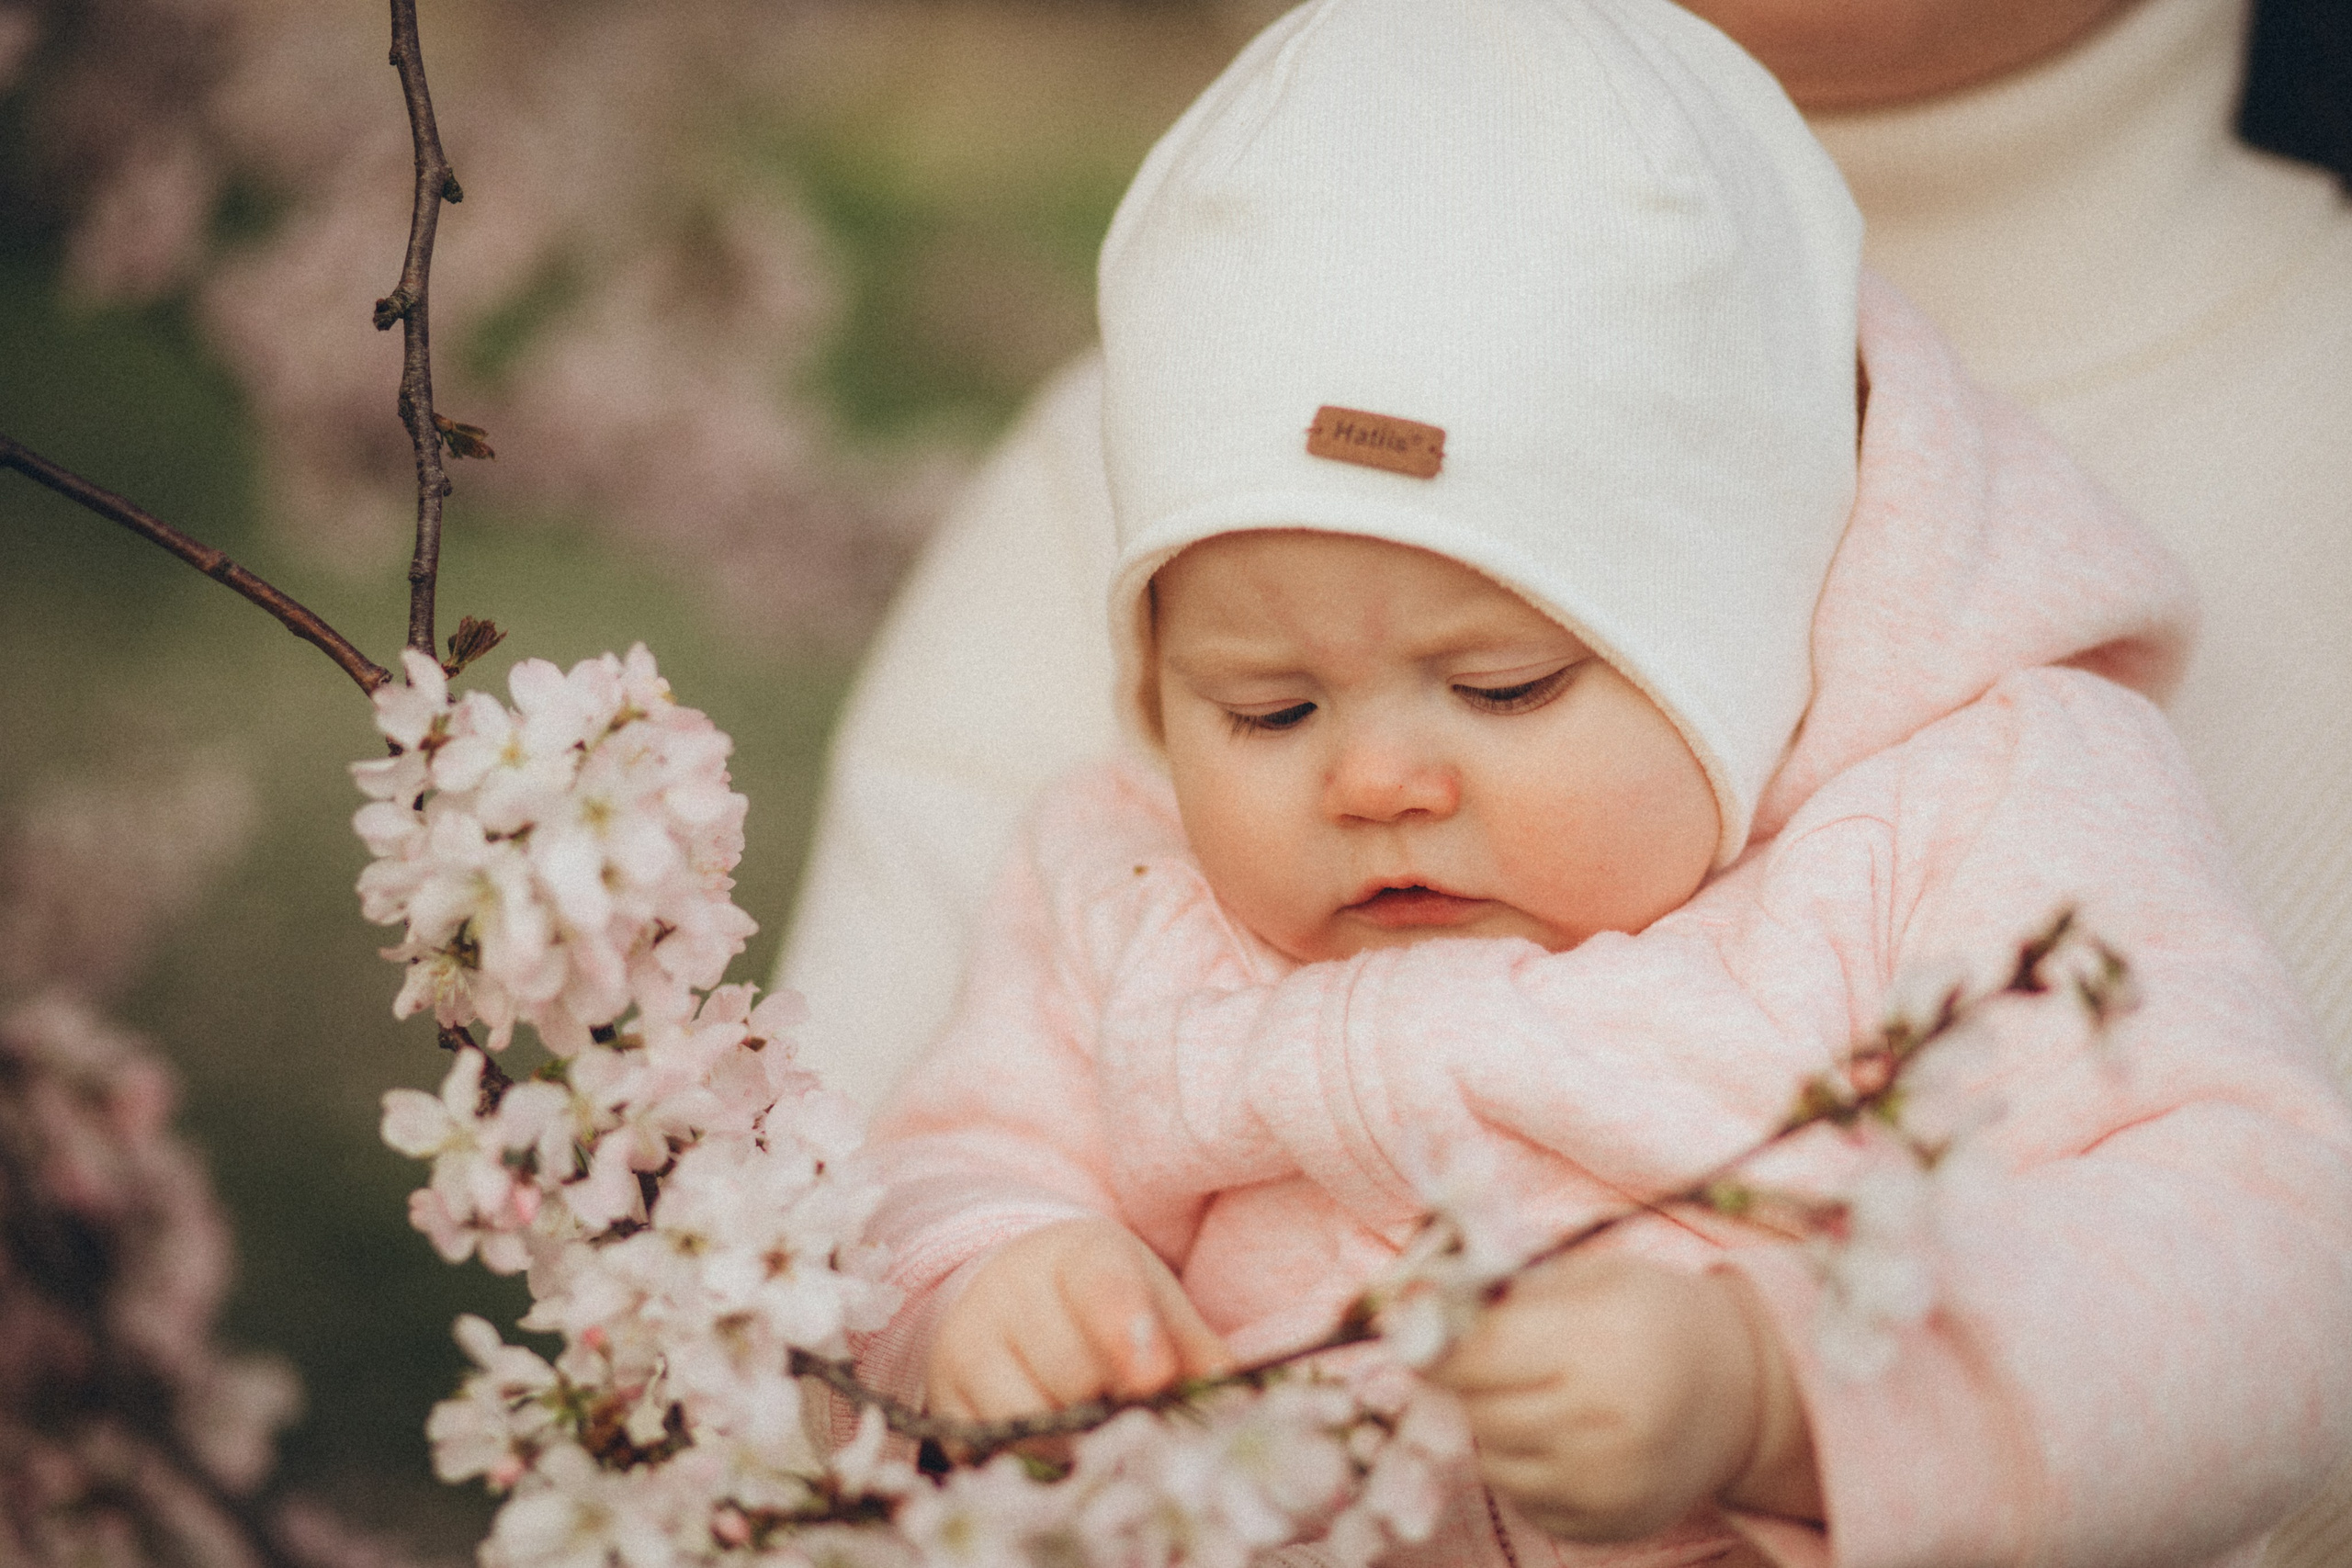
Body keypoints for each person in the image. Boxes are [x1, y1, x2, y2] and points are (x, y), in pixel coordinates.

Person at [848, 4, 2352, 1563]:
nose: (1373, 776)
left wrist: (1779, 1390)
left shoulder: (1971, 823)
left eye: (1507, 687)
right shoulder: (1125, 881)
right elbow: (930, 1165)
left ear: (1766, 614)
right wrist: (986, 1285)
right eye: (1268, 708)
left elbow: (2264, 1259)